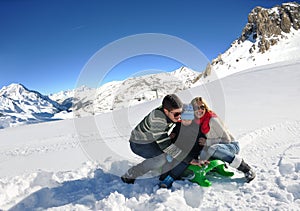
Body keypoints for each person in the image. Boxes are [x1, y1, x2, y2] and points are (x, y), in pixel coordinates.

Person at [121, 94, 184, 184]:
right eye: (177, 114)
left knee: (168, 153)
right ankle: (132, 173)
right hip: (139, 143)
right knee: (160, 159)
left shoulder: (171, 111)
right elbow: (165, 145)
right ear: (166, 111)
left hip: (152, 139)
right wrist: (186, 158)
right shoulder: (158, 118)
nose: (179, 117)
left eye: (180, 113)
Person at [191, 97, 256, 182]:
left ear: (205, 108)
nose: (199, 110)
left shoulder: (212, 119)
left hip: (231, 146)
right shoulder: (198, 121)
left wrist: (207, 142)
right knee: (202, 152)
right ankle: (217, 166)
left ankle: (246, 168)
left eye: (202, 107)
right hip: (216, 147)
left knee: (212, 149)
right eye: (196, 108)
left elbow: (227, 139)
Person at [158, 103, 209, 188]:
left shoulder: (196, 127)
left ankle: (170, 178)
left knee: (182, 162)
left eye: (188, 119)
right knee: (169, 160)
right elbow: (174, 135)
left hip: (191, 152)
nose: (185, 121)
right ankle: (163, 175)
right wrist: (172, 136)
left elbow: (202, 138)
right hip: (178, 149)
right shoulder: (178, 125)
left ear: (192, 119)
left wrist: (204, 142)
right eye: (184, 119)